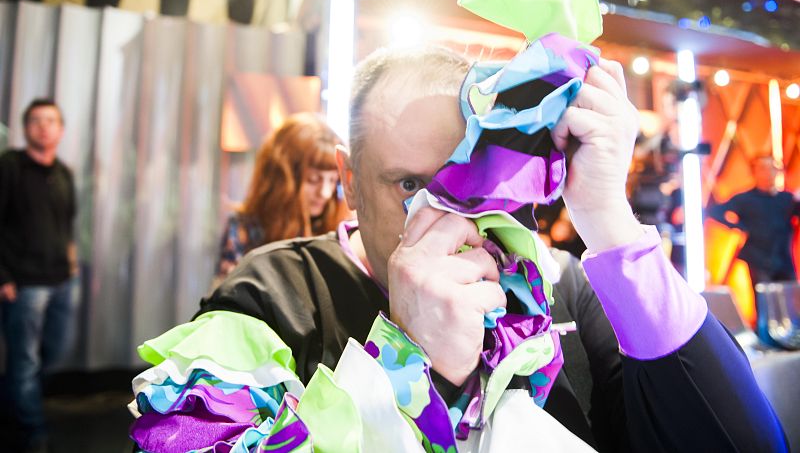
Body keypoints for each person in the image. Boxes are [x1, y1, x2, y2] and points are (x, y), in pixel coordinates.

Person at [128, 46, 786, 452]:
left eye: (475, 188)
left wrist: (609, 222)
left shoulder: (558, 286)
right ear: (350, 180)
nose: (449, 220)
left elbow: (741, 441)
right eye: (410, 185)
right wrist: (409, 367)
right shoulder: (274, 296)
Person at [0, 99, 80, 453]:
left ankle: (12, 405)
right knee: (25, 360)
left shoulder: (64, 173)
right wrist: (3, 276)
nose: (44, 127)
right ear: (25, 127)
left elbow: (67, 225)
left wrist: (73, 265)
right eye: (36, 120)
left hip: (62, 281)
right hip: (23, 284)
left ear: (60, 130)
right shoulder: (9, 167)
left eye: (51, 121)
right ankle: (32, 432)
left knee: (56, 351)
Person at [213, 112, 350, 284]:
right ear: (282, 180)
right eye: (313, 179)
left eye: (333, 181)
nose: (325, 193)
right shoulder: (244, 231)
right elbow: (228, 294)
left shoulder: (339, 231)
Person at [708, 155, 799, 289]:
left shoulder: (787, 198)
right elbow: (715, 211)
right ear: (754, 172)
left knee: (790, 296)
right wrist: (738, 226)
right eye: (763, 169)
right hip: (758, 258)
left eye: (772, 168)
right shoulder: (744, 199)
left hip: (783, 258)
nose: (768, 173)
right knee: (763, 296)